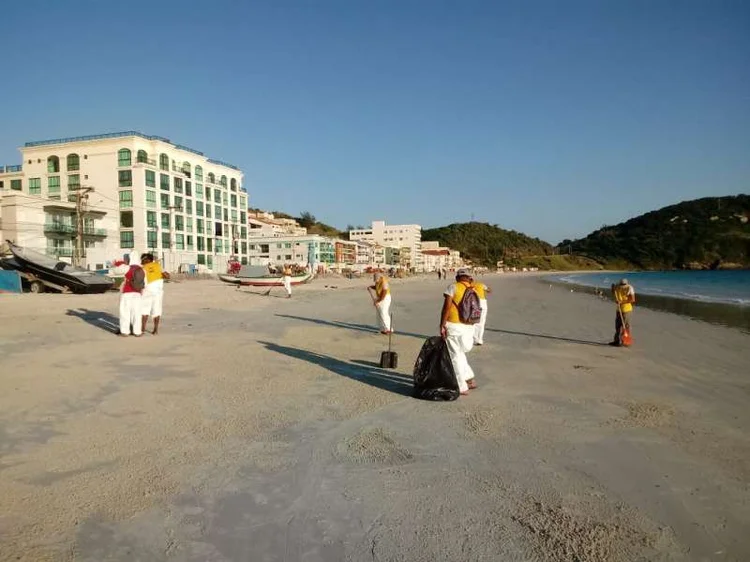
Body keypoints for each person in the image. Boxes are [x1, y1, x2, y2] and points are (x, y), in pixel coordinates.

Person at [440, 268, 478, 395]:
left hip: (454, 325)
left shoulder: (453, 287)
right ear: (468, 277)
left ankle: (460, 386)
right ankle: (469, 378)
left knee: (454, 356)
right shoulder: (473, 288)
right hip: (469, 325)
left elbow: (447, 306)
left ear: (457, 277)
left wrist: (442, 324)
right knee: (460, 352)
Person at [141, 253, 169, 335]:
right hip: (158, 291)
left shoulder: (143, 268)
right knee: (157, 310)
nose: (141, 261)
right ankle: (155, 330)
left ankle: (142, 329)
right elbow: (166, 275)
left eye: (143, 259)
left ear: (148, 259)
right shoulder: (158, 265)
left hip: (147, 290)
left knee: (144, 310)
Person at [119, 251, 144, 337]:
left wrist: (122, 263)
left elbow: (115, 271)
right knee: (137, 313)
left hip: (127, 293)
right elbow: (145, 283)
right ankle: (137, 332)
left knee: (125, 313)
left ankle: (125, 331)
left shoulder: (126, 268)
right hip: (137, 294)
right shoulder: (141, 269)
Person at [611, 278, 635, 346]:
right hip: (619, 309)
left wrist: (621, 302)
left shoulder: (630, 288)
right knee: (617, 326)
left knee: (626, 326)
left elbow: (633, 299)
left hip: (627, 309)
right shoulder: (617, 287)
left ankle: (625, 341)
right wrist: (612, 288)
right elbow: (614, 293)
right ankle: (617, 341)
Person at [472, 277, 492, 345]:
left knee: (474, 321)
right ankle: (479, 339)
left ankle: (474, 339)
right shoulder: (480, 284)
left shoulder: (468, 286)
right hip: (482, 303)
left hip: (475, 303)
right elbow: (489, 290)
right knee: (482, 322)